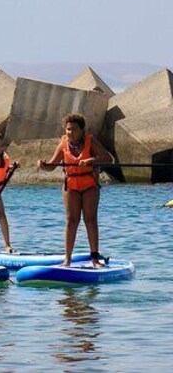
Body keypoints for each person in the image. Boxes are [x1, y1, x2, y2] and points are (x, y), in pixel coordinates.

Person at [37, 113, 114, 268]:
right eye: (68, 129)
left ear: (81, 130)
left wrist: (92, 160)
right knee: (72, 221)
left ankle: (95, 259)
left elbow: (108, 158)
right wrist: (43, 165)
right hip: (71, 185)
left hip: (89, 185)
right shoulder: (63, 144)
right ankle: (67, 259)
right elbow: (52, 166)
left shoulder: (90, 141)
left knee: (90, 220)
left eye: (73, 129)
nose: (70, 132)